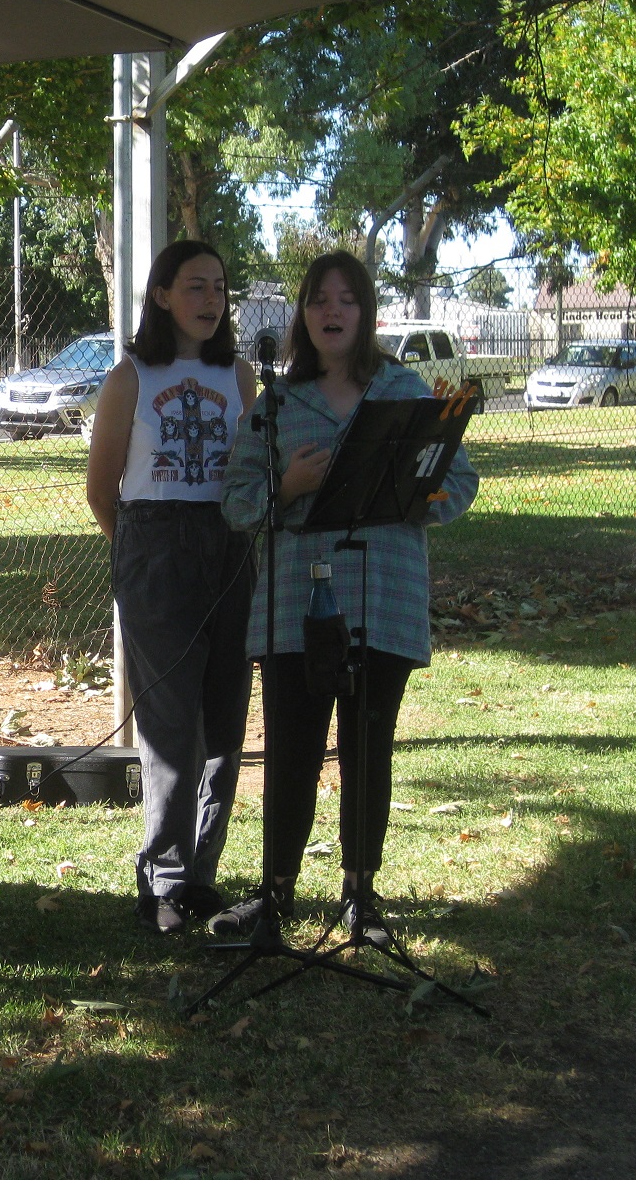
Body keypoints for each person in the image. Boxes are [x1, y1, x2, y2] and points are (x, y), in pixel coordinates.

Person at [214, 250, 477, 946]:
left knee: (368, 744)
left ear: (367, 314)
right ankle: (275, 895)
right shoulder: (276, 404)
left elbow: (460, 479)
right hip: (297, 609)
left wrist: (422, 491)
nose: (331, 311)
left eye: (347, 300)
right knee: (292, 750)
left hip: (383, 598)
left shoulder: (404, 389)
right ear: (302, 315)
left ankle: (360, 896)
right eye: (318, 300)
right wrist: (287, 489)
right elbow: (238, 502)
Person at [85, 240, 258, 934]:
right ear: (161, 295)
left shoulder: (240, 375)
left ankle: (199, 874)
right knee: (168, 723)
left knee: (224, 720)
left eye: (219, 287)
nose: (211, 300)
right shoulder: (130, 378)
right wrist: (145, 561)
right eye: (195, 286)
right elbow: (102, 493)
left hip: (231, 550)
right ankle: (161, 878)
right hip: (156, 552)